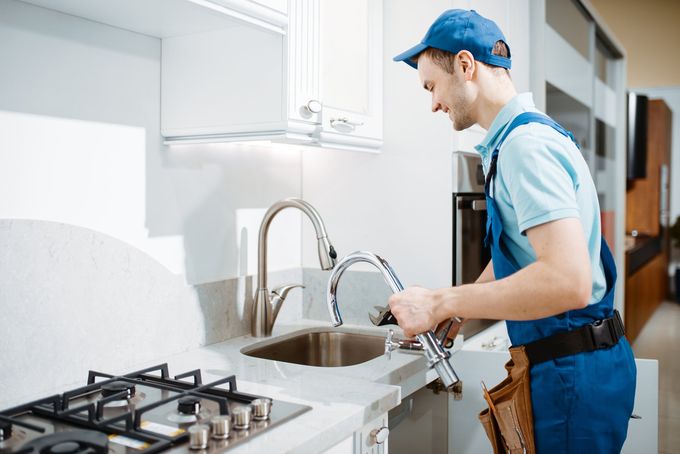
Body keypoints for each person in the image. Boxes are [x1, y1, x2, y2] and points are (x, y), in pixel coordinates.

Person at [389, 9, 636, 454]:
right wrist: (460, 310)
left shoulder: (525, 147)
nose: (433, 104)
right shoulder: (523, 137)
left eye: (432, 86)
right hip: (574, 364)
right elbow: (522, 252)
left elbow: (567, 281)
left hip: (570, 374)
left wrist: (442, 300)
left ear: (466, 66)